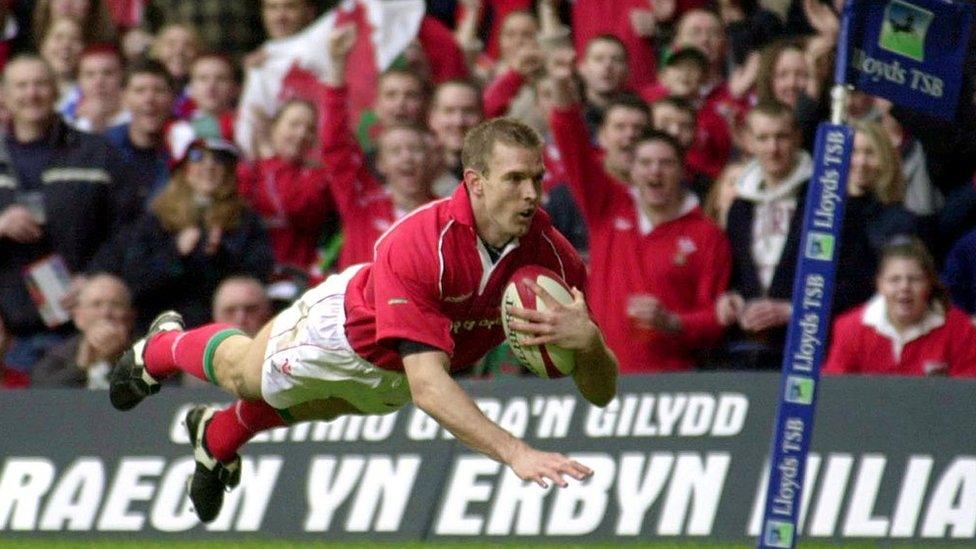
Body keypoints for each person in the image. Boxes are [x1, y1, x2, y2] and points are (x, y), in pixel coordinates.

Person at [108, 115, 619, 524]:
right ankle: (161, 346)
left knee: (314, 406)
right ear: (475, 183)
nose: (532, 194)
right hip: (340, 334)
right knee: (244, 375)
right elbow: (429, 388)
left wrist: (590, 343)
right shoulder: (421, 242)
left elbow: (600, 392)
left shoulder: (557, 258)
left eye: (537, 178)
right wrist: (515, 452)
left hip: (400, 373)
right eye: (515, 179)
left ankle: (217, 437)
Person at [549, 50, 731, 373]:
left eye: (665, 163)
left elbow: (715, 318)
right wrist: (563, 87)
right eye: (645, 163)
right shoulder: (608, 207)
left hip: (671, 385)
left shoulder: (707, 235)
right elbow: (571, 142)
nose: (654, 171)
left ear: (683, 171)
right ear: (632, 171)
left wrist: (672, 322)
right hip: (598, 376)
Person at [0, 55, 138, 380]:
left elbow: (128, 229)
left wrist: (94, 276)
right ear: (4, 96)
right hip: (11, 335)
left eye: (40, 84)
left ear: (56, 92)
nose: (31, 94)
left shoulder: (95, 152)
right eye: (21, 85)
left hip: (81, 332)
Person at [120, 137, 273, 329]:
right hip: (166, 329)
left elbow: (258, 275)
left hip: (224, 333)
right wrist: (176, 252)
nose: (208, 167)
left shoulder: (245, 220)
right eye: (198, 157)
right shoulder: (157, 219)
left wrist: (221, 254)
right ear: (183, 168)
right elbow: (136, 282)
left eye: (218, 159)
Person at [323, 26, 436, 270]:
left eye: (414, 150)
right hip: (361, 307)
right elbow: (335, 146)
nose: (406, 158)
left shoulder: (445, 213)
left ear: (432, 156)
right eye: (395, 152)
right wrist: (336, 65)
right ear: (381, 163)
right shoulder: (362, 201)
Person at [718, 101, 811, 370]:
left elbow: (852, 282)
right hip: (750, 351)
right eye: (763, 138)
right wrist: (731, 299)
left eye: (781, 137)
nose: (773, 148)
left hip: (806, 349)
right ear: (748, 142)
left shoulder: (826, 200)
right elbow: (734, 273)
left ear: (797, 138)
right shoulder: (739, 206)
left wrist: (795, 312)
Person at [824, 238, 976, 377]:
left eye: (915, 279)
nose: (904, 287)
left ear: (929, 283)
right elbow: (834, 391)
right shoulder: (850, 328)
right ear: (879, 284)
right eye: (894, 280)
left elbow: (968, 395)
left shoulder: (960, 328)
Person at [237, 99, 334, 274]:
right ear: (274, 127)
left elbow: (288, 207)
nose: (302, 134)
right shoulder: (248, 170)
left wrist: (270, 159)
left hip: (296, 277)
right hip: (249, 274)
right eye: (294, 125)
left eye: (310, 129)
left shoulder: (318, 178)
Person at [32, 274, 134, 389]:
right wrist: (80, 367)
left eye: (116, 304)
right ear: (78, 317)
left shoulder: (149, 353)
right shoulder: (54, 359)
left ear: (130, 317)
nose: (106, 313)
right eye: (96, 304)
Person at [104, 59, 176, 206]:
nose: (149, 99)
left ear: (172, 98)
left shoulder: (184, 149)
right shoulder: (105, 149)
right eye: (140, 91)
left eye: (158, 91)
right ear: (124, 98)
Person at [68, 44, 129, 132]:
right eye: (90, 74)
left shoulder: (138, 123)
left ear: (122, 77)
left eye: (108, 73)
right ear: (79, 80)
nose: (98, 82)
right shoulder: (67, 126)